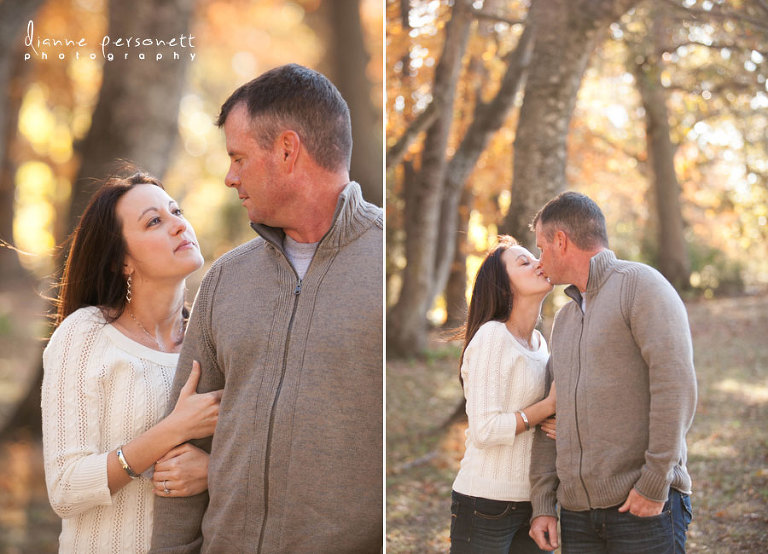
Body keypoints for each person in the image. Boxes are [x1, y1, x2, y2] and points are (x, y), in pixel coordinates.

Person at [150, 64, 383, 553]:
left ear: (287, 150)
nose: (229, 177)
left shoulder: (384, 267)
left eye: (238, 158)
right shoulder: (225, 279)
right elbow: (183, 447)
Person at [42, 171, 223, 553]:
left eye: (176, 211)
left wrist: (213, 472)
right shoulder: (86, 335)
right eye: (154, 221)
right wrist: (173, 429)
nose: (179, 225)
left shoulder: (213, 341)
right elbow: (65, 488)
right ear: (121, 262)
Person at [527, 191, 697, 553]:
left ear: (561, 241)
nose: (539, 260)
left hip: (641, 508)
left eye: (541, 247)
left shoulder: (641, 286)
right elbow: (550, 414)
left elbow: (675, 386)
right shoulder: (565, 319)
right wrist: (543, 503)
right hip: (577, 517)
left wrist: (654, 483)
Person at [449, 236, 556, 553]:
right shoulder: (492, 336)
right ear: (504, 287)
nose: (538, 263)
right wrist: (547, 407)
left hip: (534, 503)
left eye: (534, 257)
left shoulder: (540, 344)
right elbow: (485, 430)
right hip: (485, 502)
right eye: (524, 262)